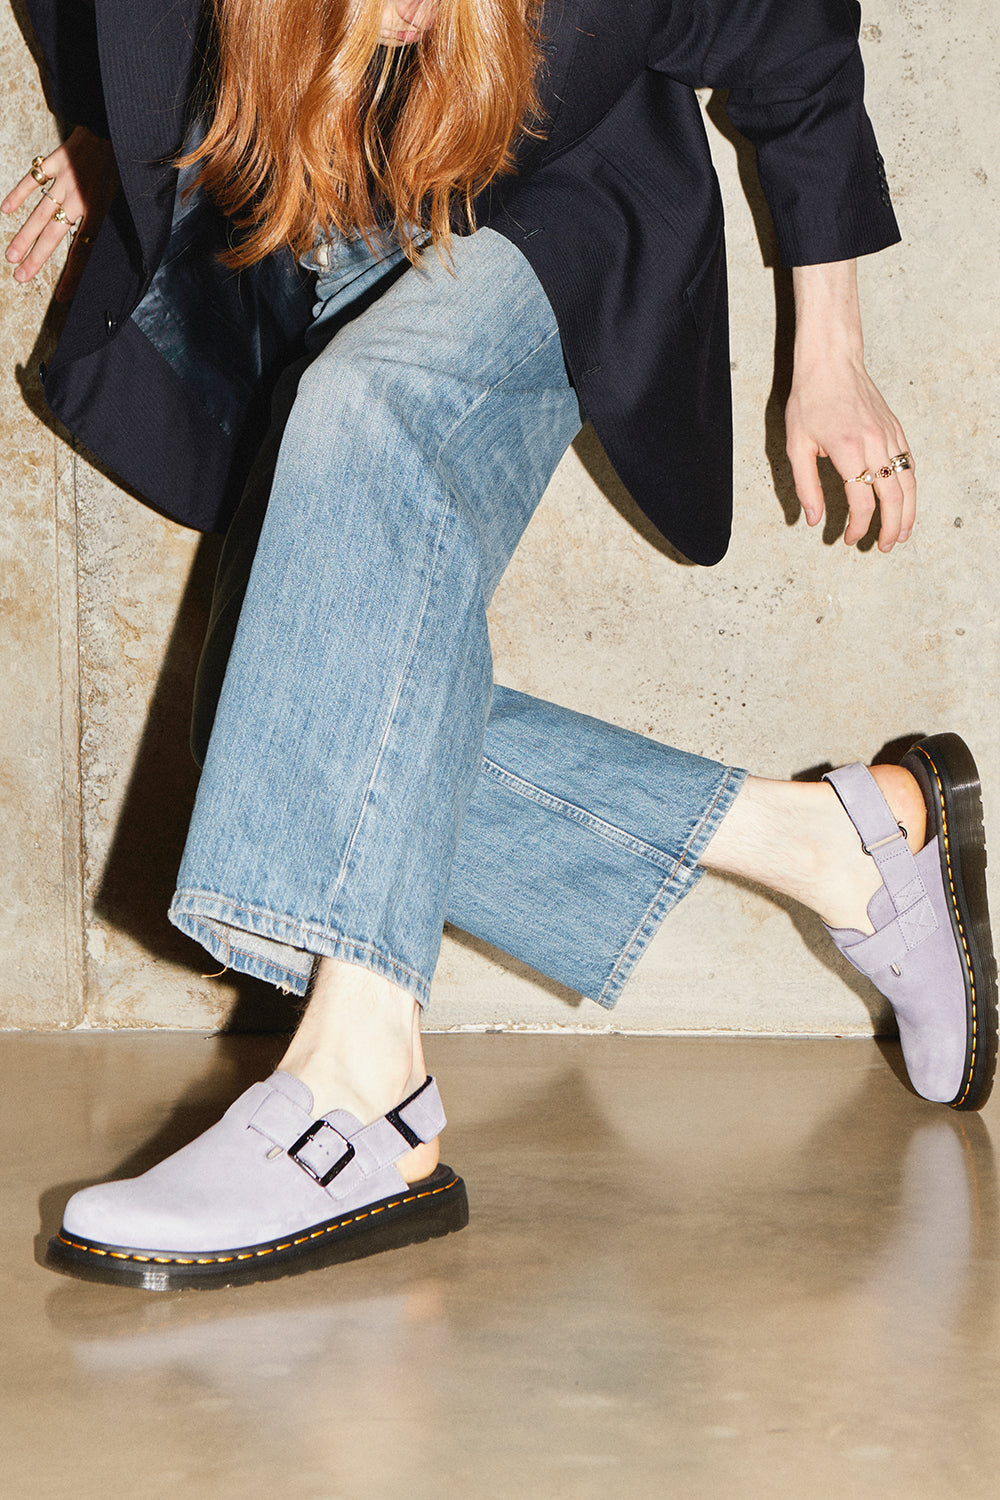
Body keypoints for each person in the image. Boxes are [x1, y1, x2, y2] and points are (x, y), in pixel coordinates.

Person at [5, 0, 996, 1291]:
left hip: (543, 203)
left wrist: (833, 352)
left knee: (372, 412)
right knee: (281, 711)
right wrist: (110, 120)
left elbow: (793, 31)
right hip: (307, 204)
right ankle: (838, 845)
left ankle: (360, 1087)